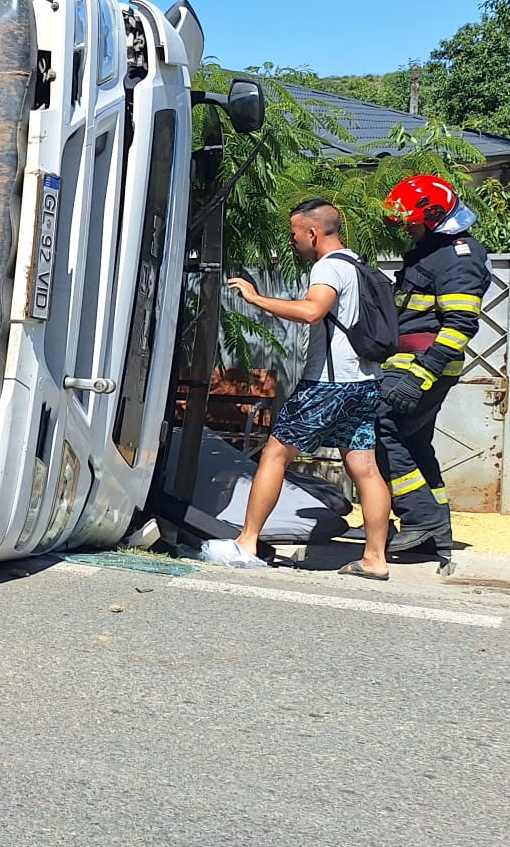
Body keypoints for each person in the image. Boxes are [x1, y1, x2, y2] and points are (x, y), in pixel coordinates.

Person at [202, 198, 391, 576]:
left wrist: (256, 299)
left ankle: (246, 544)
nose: (291, 241)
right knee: (365, 468)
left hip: (327, 385)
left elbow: (311, 311)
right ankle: (375, 559)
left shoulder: (328, 268)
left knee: (274, 455)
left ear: (313, 233)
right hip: (365, 383)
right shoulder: (358, 265)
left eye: (293, 234)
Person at [378, 175, 490, 557]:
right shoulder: (430, 251)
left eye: (410, 220)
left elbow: (461, 325)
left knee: (383, 430)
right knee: (414, 442)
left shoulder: (460, 257)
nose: (406, 228)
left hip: (424, 365)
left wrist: (420, 374)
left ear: (435, 215)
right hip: (410, 361)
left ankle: (419, 516)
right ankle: (435, 529)